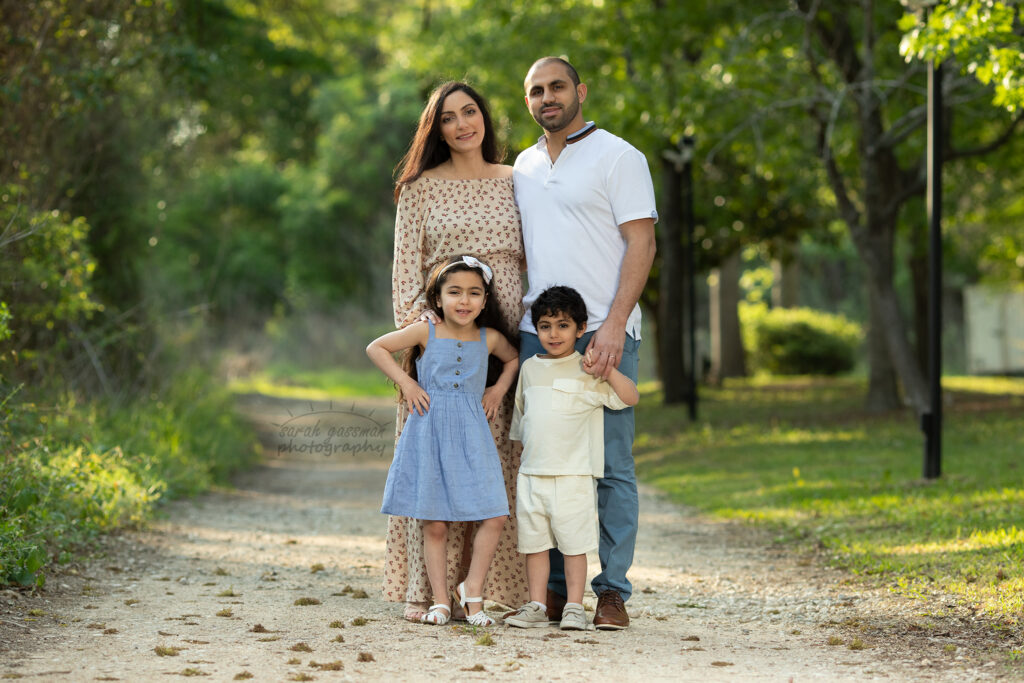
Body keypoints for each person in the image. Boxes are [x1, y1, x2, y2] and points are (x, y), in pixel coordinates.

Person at [513, 57, 657, 630]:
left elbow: (641, 244)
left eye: (557, 86)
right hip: (539, 332)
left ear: (581, 92)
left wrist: (616, 323)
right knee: (544, 461)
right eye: (535, 91)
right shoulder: (522, 166)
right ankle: (553, 593)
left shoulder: (619, 157)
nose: (547, 97)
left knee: (611, 465)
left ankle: (611, 591)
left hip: (603, 325)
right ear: (528, 102)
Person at [386, 81, 529, 622]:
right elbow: (405, 269)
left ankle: (484, 589)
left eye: (470, 112)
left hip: (506, 340)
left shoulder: (518, 181)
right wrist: (418, 334)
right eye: (448, 117)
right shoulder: (419, 188)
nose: (462, 124)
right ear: (436, 128)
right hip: (445, 346)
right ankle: (430, 593)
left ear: (485, 118)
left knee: (495, 466)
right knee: (439, 469)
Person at [367, 256, 520, 626]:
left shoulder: (490, 338)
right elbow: (376, 348)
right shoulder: (426, 331)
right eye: (454, 293)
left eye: (473, 293)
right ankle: (439, 601)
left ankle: (473, 591)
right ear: (437, 299)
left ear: (485, 301)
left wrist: (497, 389)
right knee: (434, 523)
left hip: (473, 433)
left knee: (495, 515)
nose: (463, 301)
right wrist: (408, 383)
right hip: (429, 429)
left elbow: (514, 359)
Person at [504, 286, 638, 631]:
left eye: (563, 325)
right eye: (545, 326)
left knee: (573, 544)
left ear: (581, 329)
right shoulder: (530, 368)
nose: (553, 334)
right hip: (533, 476)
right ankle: (537, 604)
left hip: (574, 476)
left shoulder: (587, 369)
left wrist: (606, 371)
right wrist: (522, 469)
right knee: (534, 544)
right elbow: (522, 420)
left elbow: (630, 397)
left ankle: (575, 607)